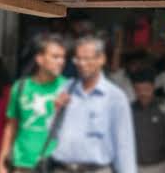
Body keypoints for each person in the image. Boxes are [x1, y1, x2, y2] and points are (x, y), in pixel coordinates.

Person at [50, 36, 136, 173]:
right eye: (78, 59)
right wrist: (54, 110)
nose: (82, 63)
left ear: (101, 59)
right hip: (62, 169)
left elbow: (124, 146)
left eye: (87, 58)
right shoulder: (64, 91)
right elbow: (49, 134)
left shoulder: (115, 97)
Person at [0, 35, 68, 173]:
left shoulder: (68, 88)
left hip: (55, 166)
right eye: (55, 57)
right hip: (22, 164)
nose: (61, 61)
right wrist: (1, 163)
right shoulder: (20, 87)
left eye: (63, 57)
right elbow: (11, 126)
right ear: (39, 59)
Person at [132, 69, 165, 173]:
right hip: (136, 166)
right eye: (138, 90)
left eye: (146, 89)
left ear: (153, 87)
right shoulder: (129, 110)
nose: (142, 93)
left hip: (161, 165)